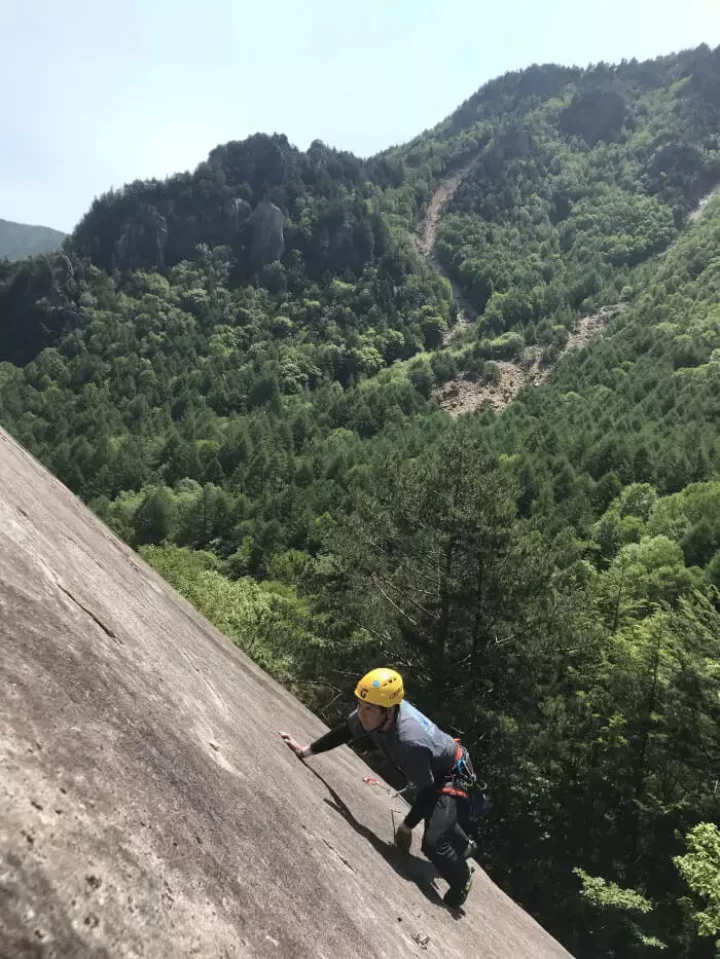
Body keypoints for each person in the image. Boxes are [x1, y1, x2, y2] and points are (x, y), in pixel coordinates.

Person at [280, 667, 478, 910]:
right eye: (360, 705)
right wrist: (305, 751)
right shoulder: (376, 712)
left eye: (368, 709)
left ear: (389, 711)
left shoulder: (410, 742)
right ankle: (465, 846)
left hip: (454, 775)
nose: (361, 714)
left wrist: (406, 828)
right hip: (436, 770)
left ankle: (462, 880)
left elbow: (428, 793)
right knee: (436, 813)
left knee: (432, 841)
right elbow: (345, 732)